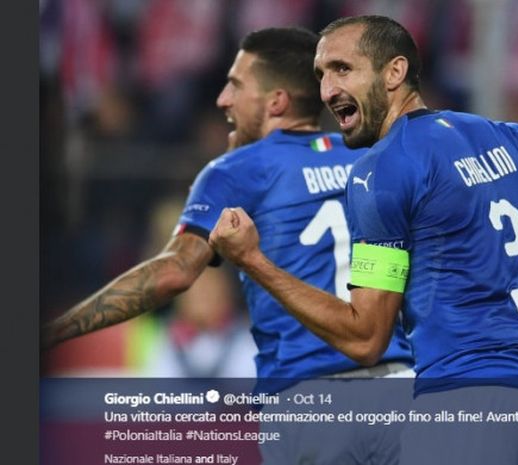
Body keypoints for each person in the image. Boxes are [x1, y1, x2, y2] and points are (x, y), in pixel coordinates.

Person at [208, 16, 518, 465]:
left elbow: (366, 338)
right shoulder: (515, 139)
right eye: (321, 75)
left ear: (394, 72)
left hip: (464, 405)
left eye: (343, 69)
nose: (326, 91)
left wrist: (253, 261)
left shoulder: (382, 171)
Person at [42, 27, 414, 463]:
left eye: (236, 86)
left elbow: (173, 273)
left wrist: (55, 331)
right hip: (399, 393)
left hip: (311, 401)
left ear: (275, 102)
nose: (222, 100)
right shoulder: (370, 158)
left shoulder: (237, 170)